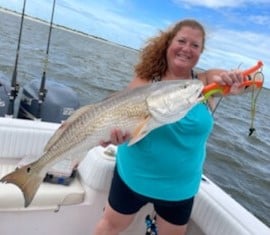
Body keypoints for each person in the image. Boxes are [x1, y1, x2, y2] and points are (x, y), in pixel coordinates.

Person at [94, 19, 244, 235]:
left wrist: (236, 80)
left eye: (195, 45)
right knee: (109, 226)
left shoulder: (203, 84)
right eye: (181, 41)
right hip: (133, 177)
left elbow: (234, 82)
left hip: (179, 188)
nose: (187, 49)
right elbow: (120, 119)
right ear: (169, 43)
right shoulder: (146, 80)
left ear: (201, 52)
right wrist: (114, 136)